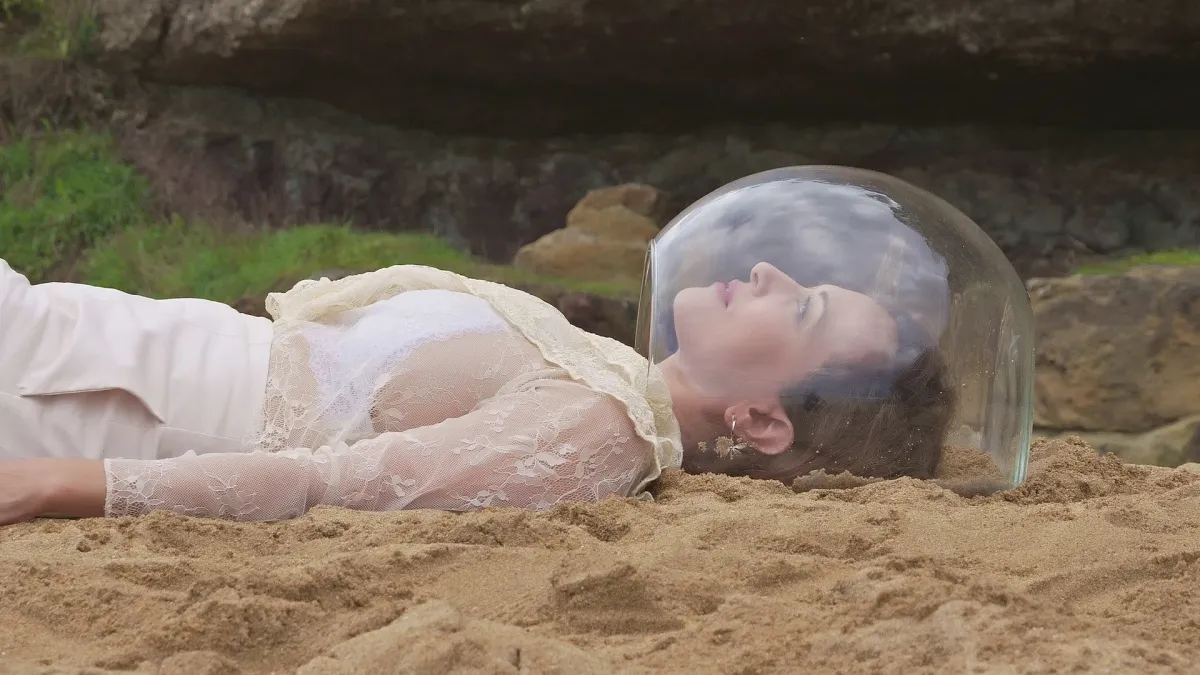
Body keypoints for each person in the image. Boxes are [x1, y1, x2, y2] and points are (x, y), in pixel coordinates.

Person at [0, 167, 972, 527]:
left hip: (81, 401)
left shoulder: (604, 432)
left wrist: (55, 484)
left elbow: (327, 485)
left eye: (802, 309)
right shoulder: (603, 372)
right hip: (77, 340)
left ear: (760, 421)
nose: (767, 271)